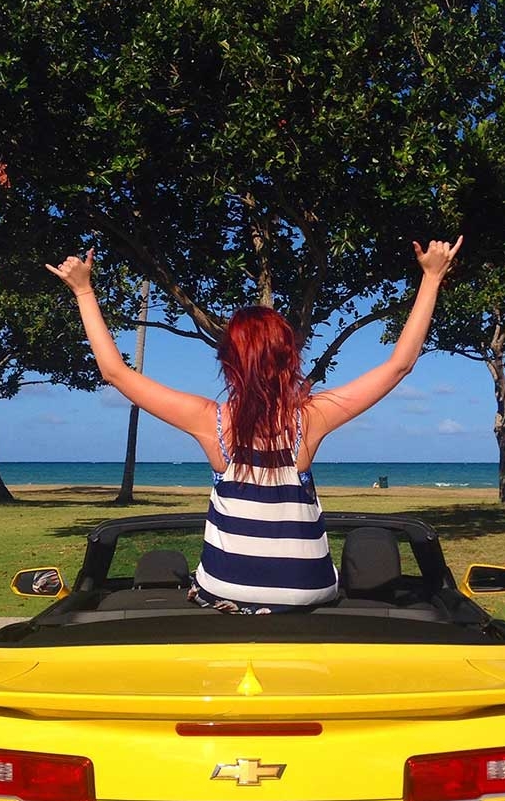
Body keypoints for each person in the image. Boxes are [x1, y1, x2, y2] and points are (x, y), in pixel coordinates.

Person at [47, 235, 461, 612]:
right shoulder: (309, 419)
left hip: (229, 591)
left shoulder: (210, 421)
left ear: (228, 361)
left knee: (200, 582)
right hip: (308, 593)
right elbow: (399, 365)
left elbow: (114, 372)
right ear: (288, 359)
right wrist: (431, 278)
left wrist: (84, 290)